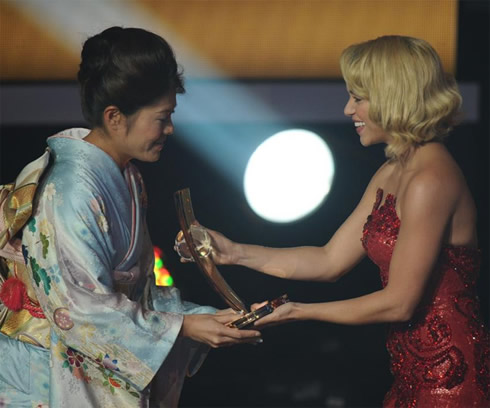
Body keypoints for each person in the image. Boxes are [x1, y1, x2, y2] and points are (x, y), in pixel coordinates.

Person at [190, 36, 490, 407]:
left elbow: (399, 304)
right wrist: (232, 252)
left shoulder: (432, 179)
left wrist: (299, 311)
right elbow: (330, 259)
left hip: (450, 379)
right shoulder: (392, 171)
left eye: (358, 98)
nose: (348, 110)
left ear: (393, 97)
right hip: (411, 374)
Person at [0, 26, 261, 407]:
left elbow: (134, 296)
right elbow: (80, 309)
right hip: (43, 377)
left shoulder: (127, 175)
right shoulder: (69, 191)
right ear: (115, 117)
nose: (170, 128)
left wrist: (206, 318)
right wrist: (184, 327)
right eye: (162, 117)